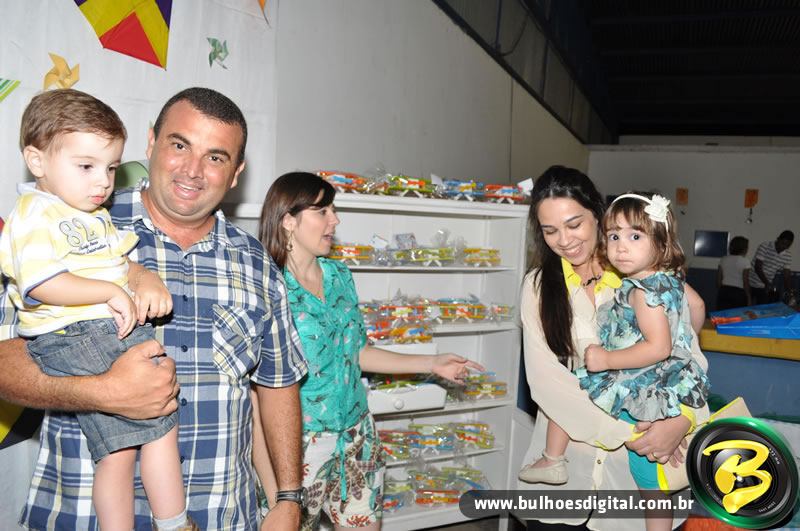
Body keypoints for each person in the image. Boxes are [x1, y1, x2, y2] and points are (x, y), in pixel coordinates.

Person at [0, 87, 308, 530]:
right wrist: (100, 391)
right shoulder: (73, 224)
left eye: (215, 157)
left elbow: (277, 383)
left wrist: (289, 497)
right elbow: (4, 364)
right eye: (180, 145)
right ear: (151, 143)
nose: (192, 170)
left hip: (220, 517)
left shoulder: (256, 262)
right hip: (83, 517)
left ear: (236, 173)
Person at [0, 89, 189, 530]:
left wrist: (141, 278)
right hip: (74, 334)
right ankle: (170, 523)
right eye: (86, 166)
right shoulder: (35, 213)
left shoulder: (91, 213)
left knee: (139, 437)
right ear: (37, 160)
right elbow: (41, 283)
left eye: (110, 168)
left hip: (102, 330)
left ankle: (164, 521)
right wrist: (108, 292)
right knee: (142, 435)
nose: (103, 181)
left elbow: (118, 263)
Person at [258, 172, 485, 530]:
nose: (335, 220)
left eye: (334, 210)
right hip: (297, 447)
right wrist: (276, 493)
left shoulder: (339, 275)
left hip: (357, 437)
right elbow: (257, 399)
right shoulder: (267, 287)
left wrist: (432, 363)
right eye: (323, 211)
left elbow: (358, 352)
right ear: (288, 220)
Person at [515, 167, 709, 531]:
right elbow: (545, 382)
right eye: (550, 230)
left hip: (634, 487)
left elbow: (689, 357)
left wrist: (682, 420)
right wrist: (633, 433)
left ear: (597, 215)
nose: (564, 240)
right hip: (566, 482)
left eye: (574, 224)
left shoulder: (644, 275)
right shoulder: (539, 287)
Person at [746, 230, 794, 304]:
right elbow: (758, 267)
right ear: (778, 239)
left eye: (787, 245)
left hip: (764, 287)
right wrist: (767, 283)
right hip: (750, 283)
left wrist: (789, 291)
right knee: (746, 308)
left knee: (763, 309)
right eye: (783, 243)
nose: (784, 247)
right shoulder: (765, 246)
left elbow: (786, 276)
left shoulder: (787, 255)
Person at [716, 236, 751, 310]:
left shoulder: (724, 259)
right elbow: (745, 282)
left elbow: (718, 280)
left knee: (722, 314)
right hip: (738, 293)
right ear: (744, 248)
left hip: (724, 291)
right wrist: (748, 297)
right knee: (737, 315)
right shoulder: (745, 261)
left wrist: (722, 291)